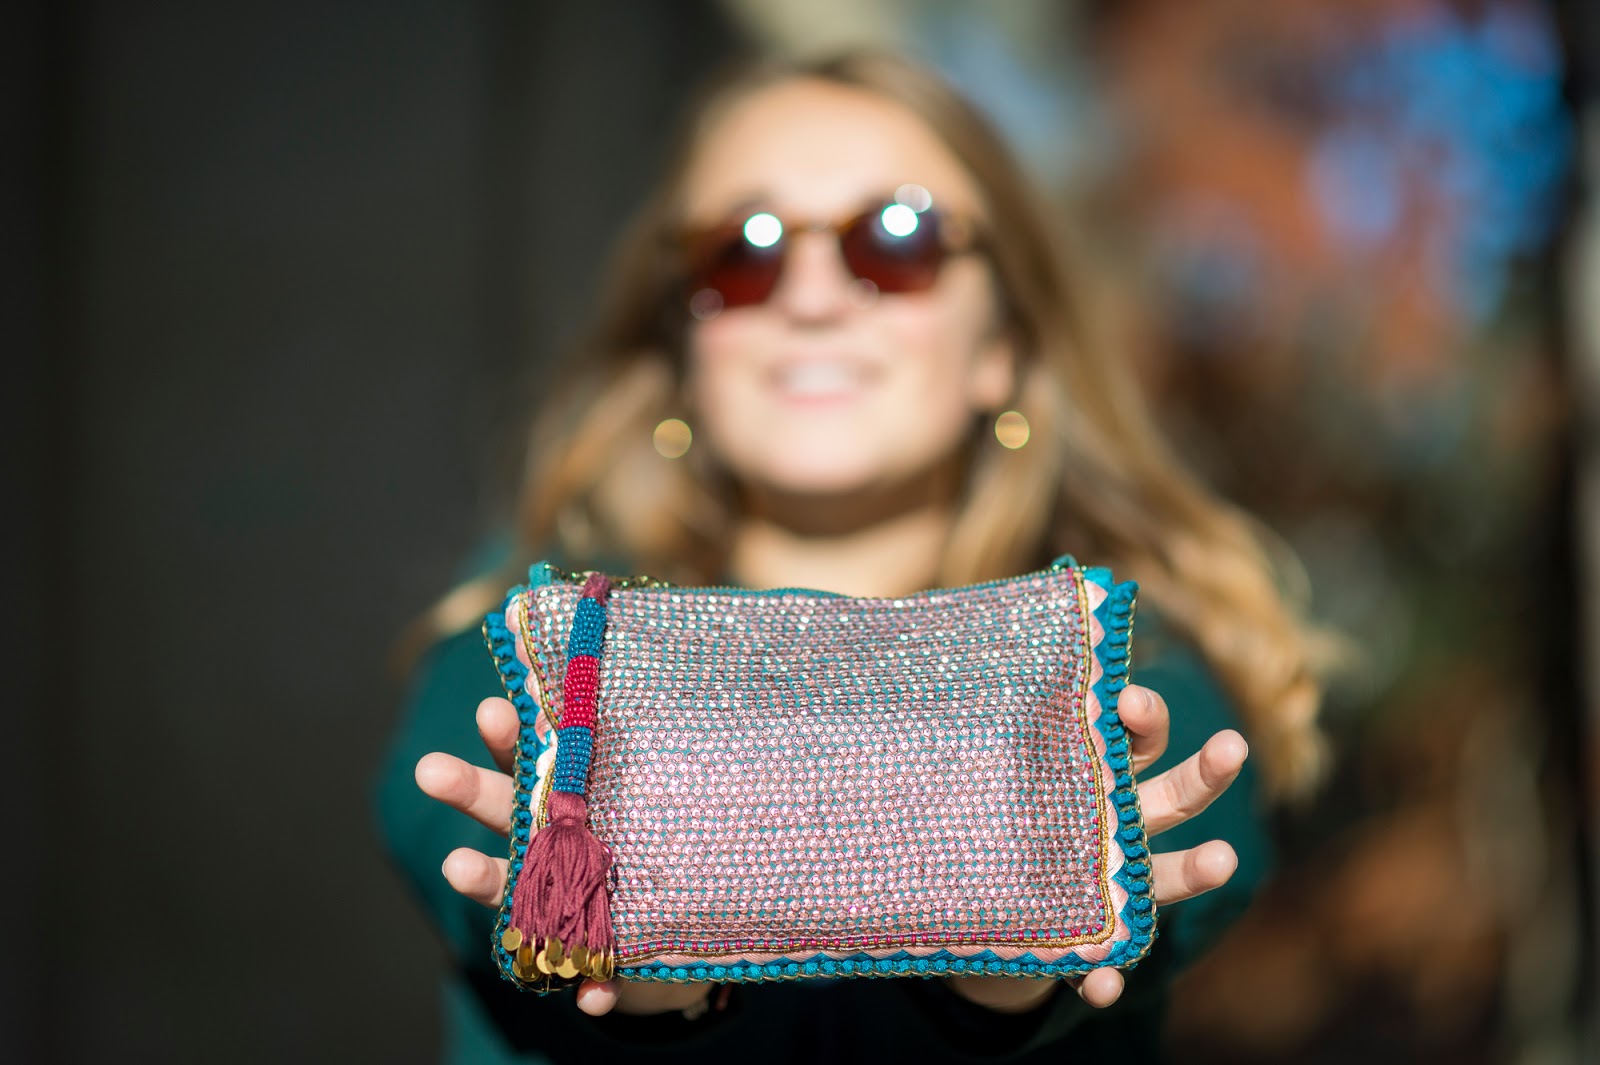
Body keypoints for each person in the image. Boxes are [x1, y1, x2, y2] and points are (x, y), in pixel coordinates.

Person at [376, 49, 1328, 1064]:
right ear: (682, 344)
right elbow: (450, 835)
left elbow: (1194, 854)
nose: (814, 297)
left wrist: (1003, 987)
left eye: (896, 238)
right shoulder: (545, 638)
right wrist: (630, 972)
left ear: (1004, 343)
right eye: (741, 251)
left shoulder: (1119, 657)